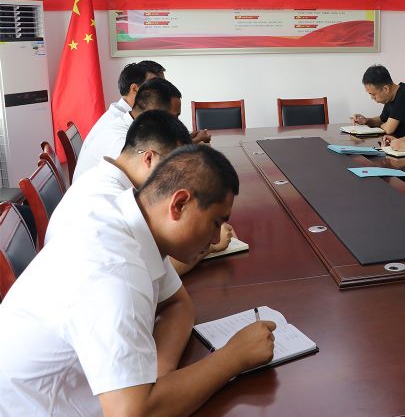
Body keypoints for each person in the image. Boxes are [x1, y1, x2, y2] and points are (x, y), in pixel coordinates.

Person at [0, 145, 277, 416]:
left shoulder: (132, 221)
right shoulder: (116, 268)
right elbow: (132, 413)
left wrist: (158, 381)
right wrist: (233, 357)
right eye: (216, 222)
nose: (217, 238)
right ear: (179, 204)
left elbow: (178, 304)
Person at [46, 110, 234, 275]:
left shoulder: (114, 183)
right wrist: (207, 246)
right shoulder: (111, 203)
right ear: (149, 158)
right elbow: (153, 271)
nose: (179, 179)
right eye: (174, 168)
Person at [74, 77, 182, 180]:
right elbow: (154, 181)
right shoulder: (122, 141)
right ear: (154, 113)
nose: (177, 123)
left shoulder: (131, 124)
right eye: (174, 117)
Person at [350, 64, 405, 137]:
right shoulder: (390, 98)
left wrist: (383, 125)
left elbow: (389, 129)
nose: (372, 98)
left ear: (386, 89)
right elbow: (381, 120)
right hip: (401, 142)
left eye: (373, 94)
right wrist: (366, 120)